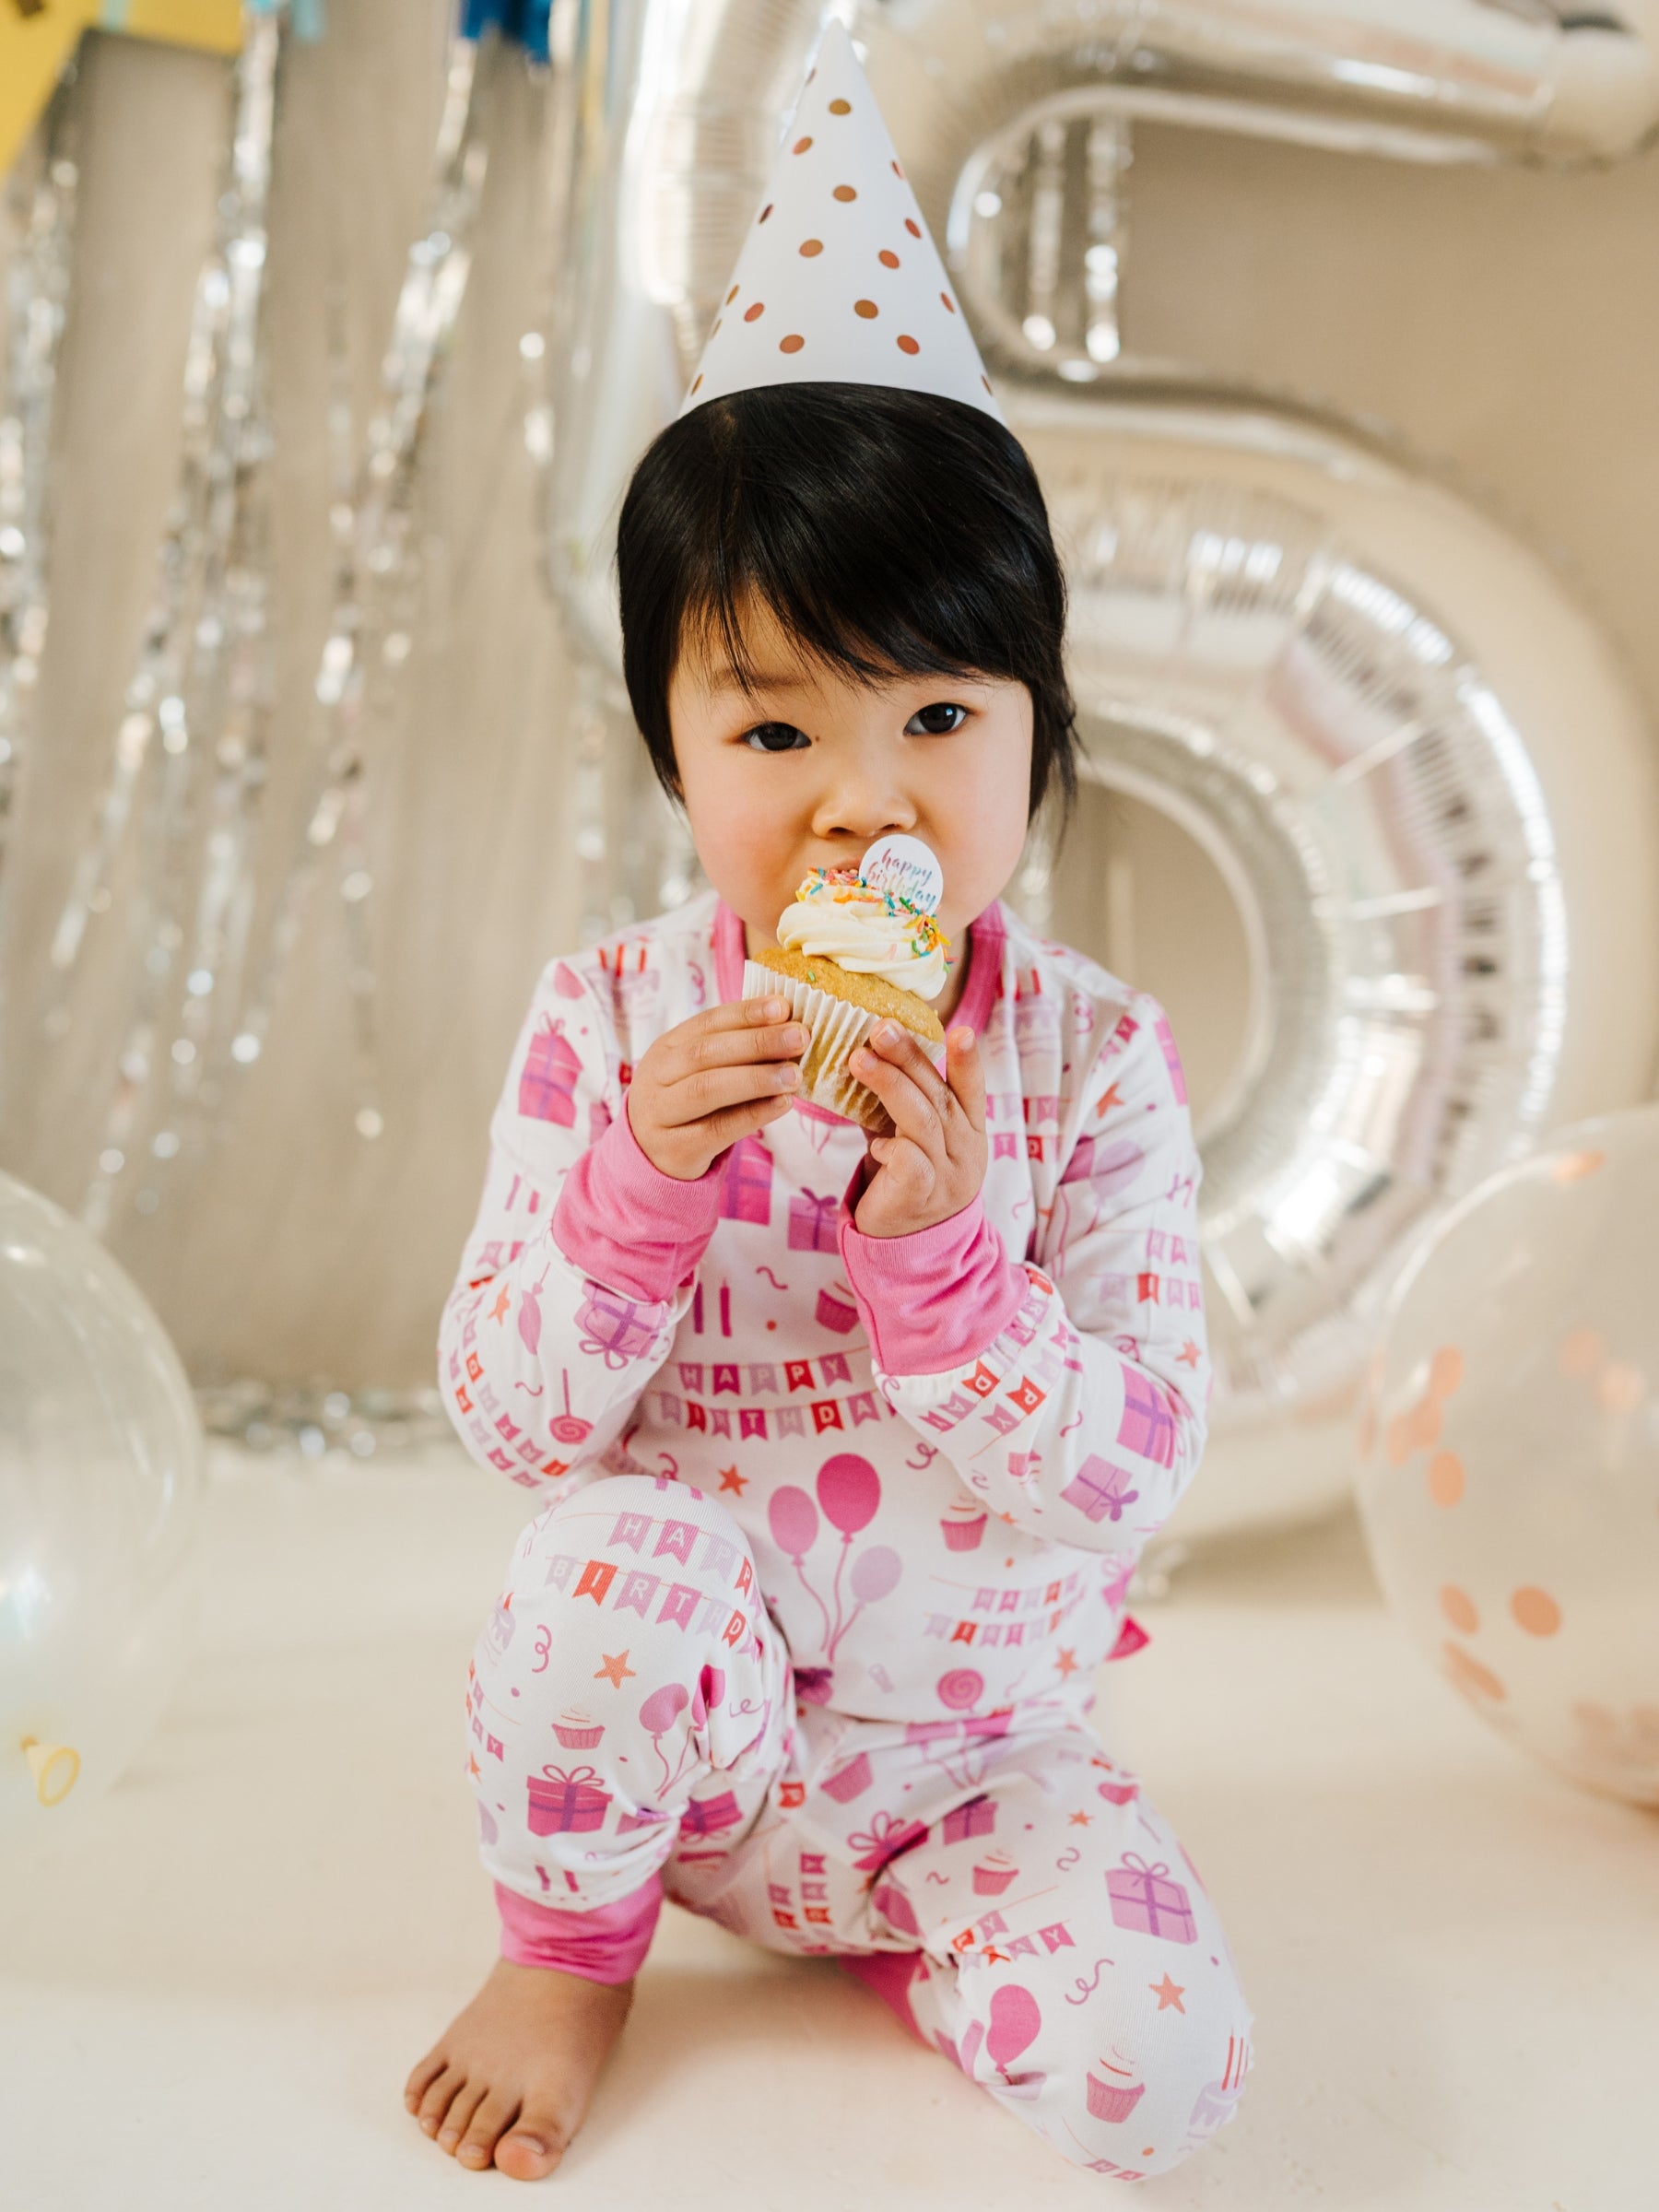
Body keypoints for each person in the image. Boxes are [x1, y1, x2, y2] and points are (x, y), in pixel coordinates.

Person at [404, 20, 1253, 2184]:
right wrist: (639, 1188)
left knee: (1161, 2079)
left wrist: (949, 1265)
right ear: (673, 751)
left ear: (1040, 725)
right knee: (598, 1568)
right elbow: (511, 1426)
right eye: (775, 732)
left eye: (939, 718)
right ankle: (570, 1954)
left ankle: (906, 1937)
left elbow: (1139, 1465)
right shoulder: (608, 1017)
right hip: (683, 1754)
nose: (862, 804)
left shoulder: (1089, 1059)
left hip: (973, 1759)